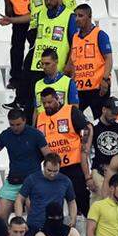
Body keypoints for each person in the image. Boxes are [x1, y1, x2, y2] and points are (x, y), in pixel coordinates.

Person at [34, 90, 92, 218]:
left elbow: (86, 128)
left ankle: (89, 226)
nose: (47, 105)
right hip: (53, 169)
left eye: (50, 102)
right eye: (44, 103)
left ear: (57, 99)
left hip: (73, 165)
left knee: (81, 198)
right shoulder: (40, 117)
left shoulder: (70, 111)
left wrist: (85, 145)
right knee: (54, 202)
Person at [0, 108, 50, 220]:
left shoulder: (36, 135)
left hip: (33, 182)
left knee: (33, 213)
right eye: (12, 124)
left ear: (25, 120)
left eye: (18, 124)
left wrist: (48, 176)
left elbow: (48, 156)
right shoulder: (6, 134)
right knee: (0, 218)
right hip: (13, 181)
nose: (15, 128)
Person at [15, 153, 77, 236]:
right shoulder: (32, 179)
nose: (52, 174)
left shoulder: (65, 181)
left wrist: (73, 218)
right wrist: (20, 221)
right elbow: (19, 199)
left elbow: (71, 201)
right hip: (35, 226)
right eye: (49, 170)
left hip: (56, 226)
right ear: (43, 166)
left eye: (55, 171)